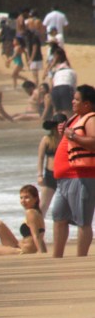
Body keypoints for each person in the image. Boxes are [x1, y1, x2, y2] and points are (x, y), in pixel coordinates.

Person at [52, 84, 95, 257]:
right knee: (58, 217)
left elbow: (93, 141)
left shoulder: (91, 118)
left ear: (87, 104)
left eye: (77, 100)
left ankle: (81, 259)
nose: (73, 102)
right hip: (64, 179)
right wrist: (64, 133)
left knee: (82, 221)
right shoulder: (77, 118)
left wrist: (72, 135)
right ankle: (56, 257)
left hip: (81, 177)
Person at [37, 114, 67, 216]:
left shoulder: (68, 138)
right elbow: (41, 158)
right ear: (54, 126)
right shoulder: (47, 139)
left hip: (66, 176)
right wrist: (40, 175)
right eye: (58, 125)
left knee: (68, 206)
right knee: (43, 205)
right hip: (50, 175)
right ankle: (37, 230)